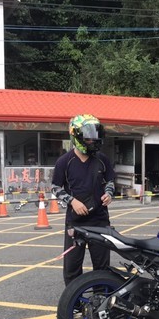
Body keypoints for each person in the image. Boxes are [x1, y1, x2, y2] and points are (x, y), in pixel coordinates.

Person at [51, 114, 115, 286]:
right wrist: (72, 201)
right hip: (75, 222)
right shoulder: (65, 161)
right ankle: (75, 304)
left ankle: (101, 302)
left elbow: (110, 181)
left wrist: (109, 193)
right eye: (88, 136)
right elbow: (55, 187)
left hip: (100, 220)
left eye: (95, 135)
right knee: (72, 266)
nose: (93, 140)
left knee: (102, 266)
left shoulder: (102, 159)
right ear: (76, 135)